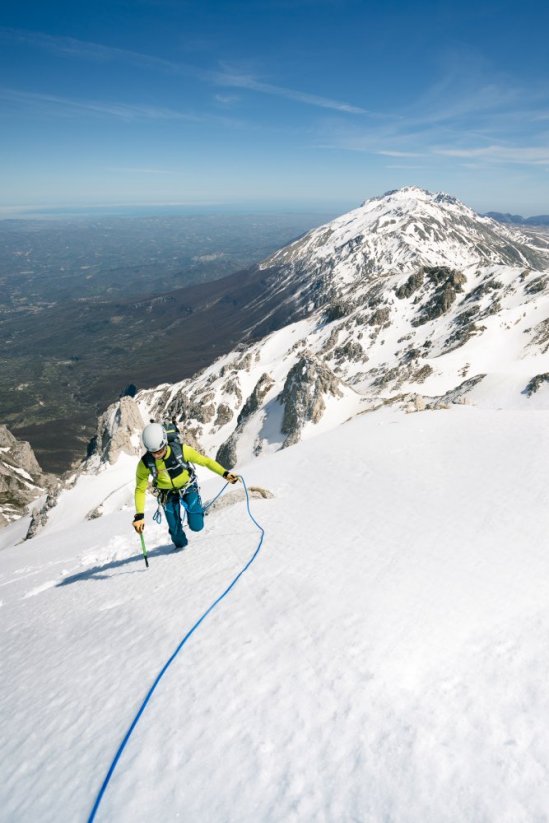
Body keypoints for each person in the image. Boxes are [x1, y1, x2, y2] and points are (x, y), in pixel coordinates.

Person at [132, 422, 238, 549]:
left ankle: (194, 514)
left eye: (160, 451)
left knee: (197, 526)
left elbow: (206, 461)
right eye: (153, 452)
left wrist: (225, 473)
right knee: (177, 537)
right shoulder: (145, 464)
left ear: (165, 442)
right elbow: (140, 489)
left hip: (188, 487)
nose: (157, 455)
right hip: (167, 494)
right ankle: (182, 550)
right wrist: (139, 515)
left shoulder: (181, 451)